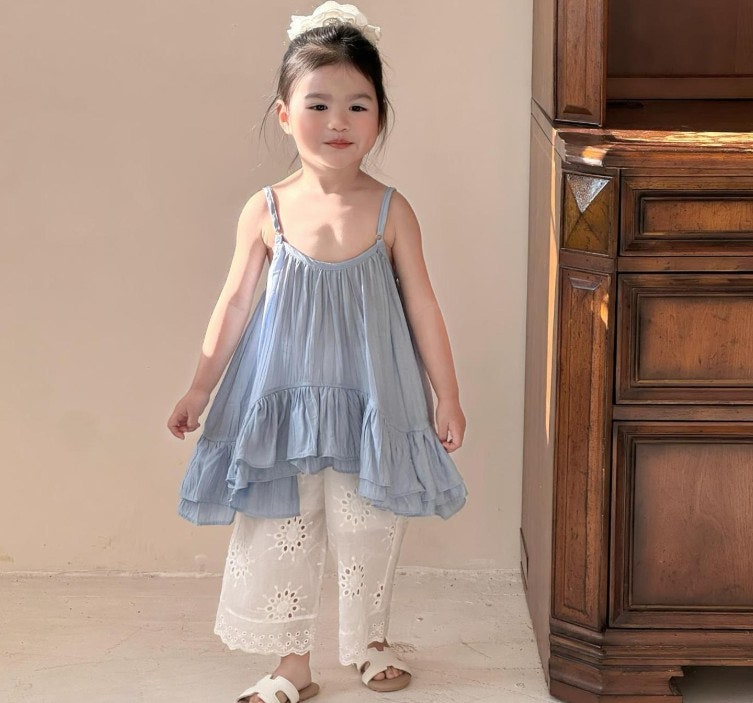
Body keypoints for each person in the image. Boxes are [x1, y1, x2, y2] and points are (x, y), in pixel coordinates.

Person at [166, 3, 467, 702]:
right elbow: (234, 303)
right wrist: (199, 388)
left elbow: (422, 305)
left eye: (358, 105)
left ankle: (368, 642)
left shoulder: (391, 210)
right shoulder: (266, 209)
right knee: (282, 525)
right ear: (284, 114)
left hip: (371, 397)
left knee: (370, 524)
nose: (339, 121)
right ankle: (291, 662)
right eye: (319, 104)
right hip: (281, 400)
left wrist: (446, 394)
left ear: (379, 118)